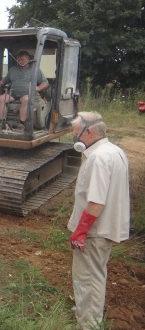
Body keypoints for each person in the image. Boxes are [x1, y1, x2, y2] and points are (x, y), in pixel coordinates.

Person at [68, 111, 130, 330]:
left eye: (77, 134)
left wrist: (80, 231)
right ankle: (87, 311)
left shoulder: (98, 158)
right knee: (95, 273)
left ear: (90, 132)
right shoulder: (113, 151)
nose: (75, 138)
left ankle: (89, 324)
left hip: (95, 231)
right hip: (104, 227)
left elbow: (96, 202)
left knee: (88, 278)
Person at [0, 50, 49, 128]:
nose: (20, 61)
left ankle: (22, 123)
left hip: (28, 93)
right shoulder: (13, 69)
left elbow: (45, 82)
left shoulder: (34, 70)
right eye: (19, 60)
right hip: (13, 93)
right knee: (0, 99)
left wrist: (38, 88)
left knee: (25, 100)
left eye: (22, 59)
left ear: (28, 59)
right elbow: (5, 80)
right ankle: (3, 122)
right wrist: (1, 83)